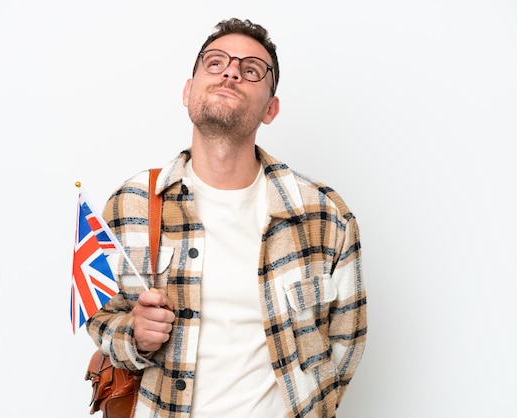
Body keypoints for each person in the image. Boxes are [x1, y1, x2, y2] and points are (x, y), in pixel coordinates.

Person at [86, 17, 367, 418]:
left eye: (251, 70)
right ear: (188, 91)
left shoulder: (324, 215)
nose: (231, 71)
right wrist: (134, 336)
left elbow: (346, 343)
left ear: (270, 109)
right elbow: (100, 320)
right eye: (215, 63)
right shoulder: (131, 204)